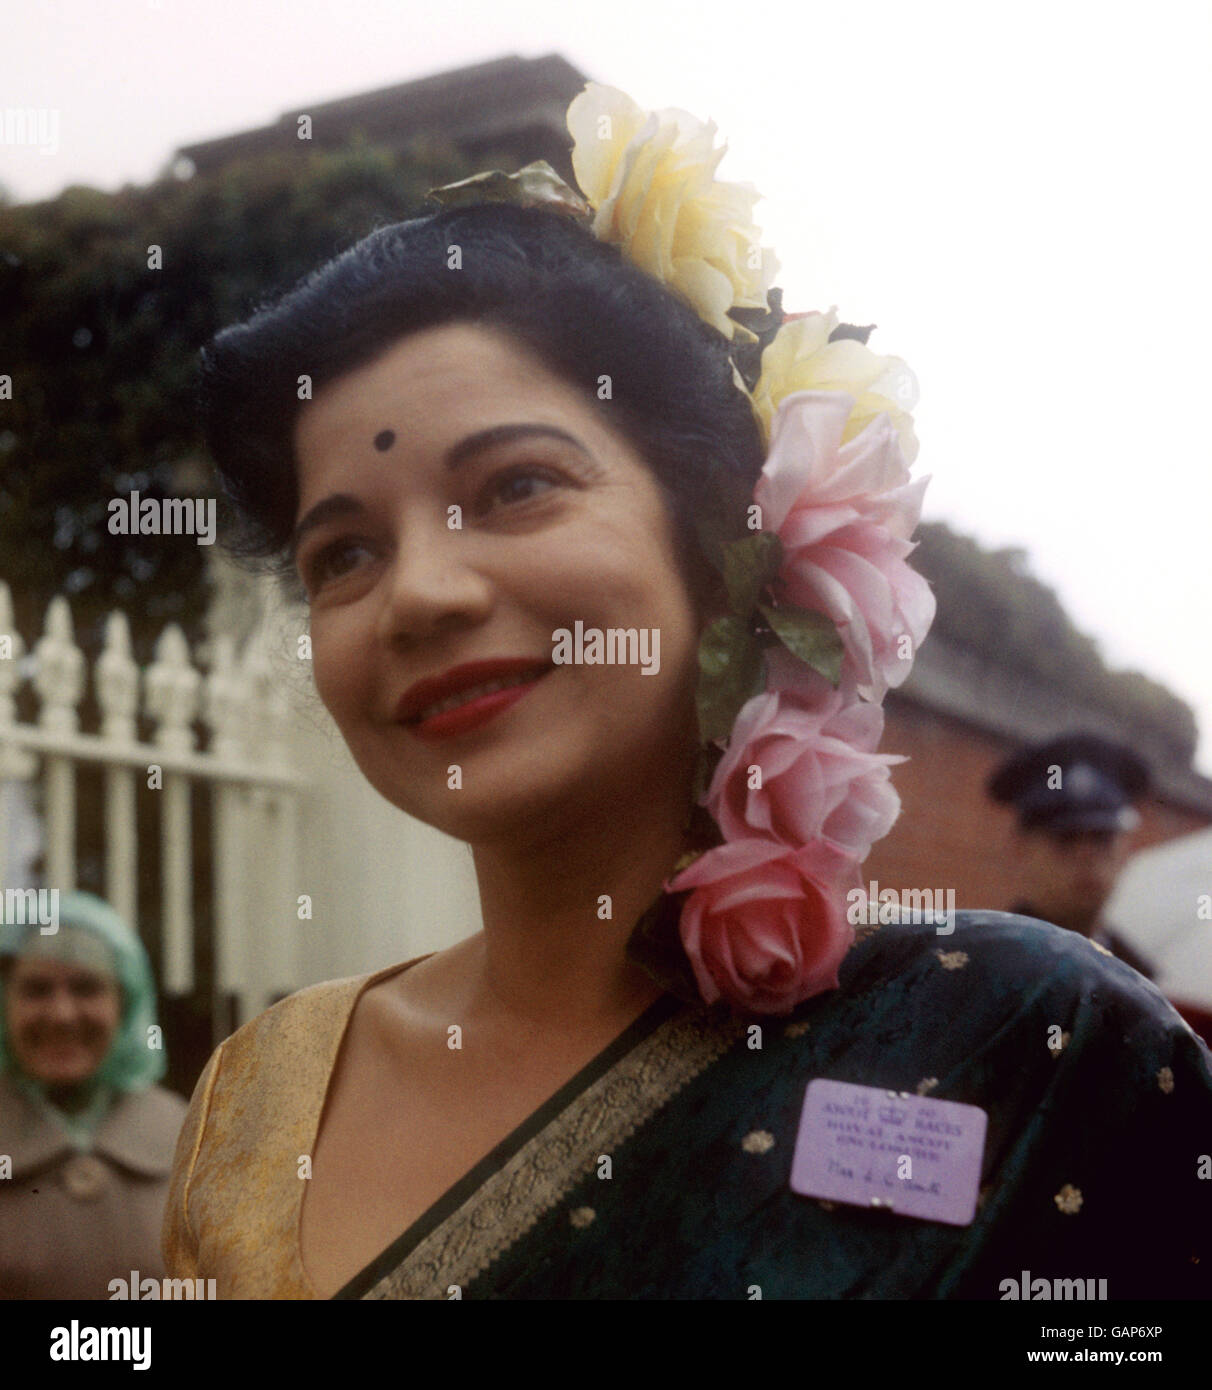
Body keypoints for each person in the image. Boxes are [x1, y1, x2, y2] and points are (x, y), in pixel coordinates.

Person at [164, 83, 1211, 1300]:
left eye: (515, 487)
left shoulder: (1024, 1043)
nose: (418, 594)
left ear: (725, 540)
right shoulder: (255, 1098)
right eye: (342, 554)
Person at [0, 891, 187, 1299]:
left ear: (128, 1002)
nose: (62, 1015)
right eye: (36, 990)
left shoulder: (191, 1137)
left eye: (86, 988)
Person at [986, 733, 1155, 978]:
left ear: (1126, 847)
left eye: (1102, 837)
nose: (1086, 854)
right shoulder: (984, 967)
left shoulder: (1143, 980)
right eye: (1065, 837)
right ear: (1021, 848)